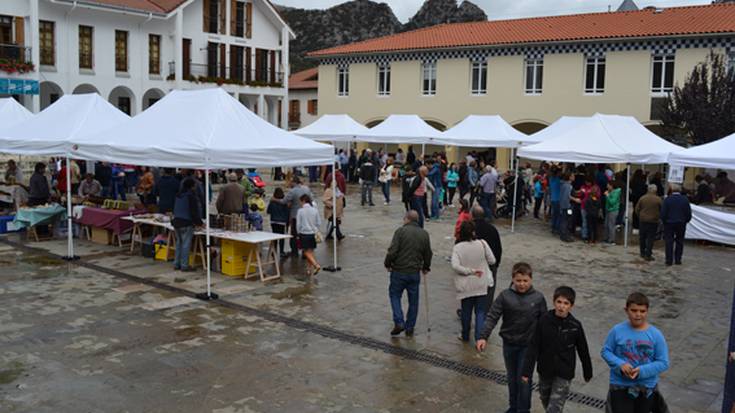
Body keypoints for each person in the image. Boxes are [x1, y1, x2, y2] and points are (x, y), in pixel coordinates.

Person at [476, 262, 547, 413]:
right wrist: (483, 336)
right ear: (513, 279)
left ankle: (523, 409)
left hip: (528, 347)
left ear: (531, 279)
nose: (522, 284)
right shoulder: (505, 296)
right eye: (519, 280)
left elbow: (544, 324)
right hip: (509, 344)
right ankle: (513, 406)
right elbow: (492, 316)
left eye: (525, 281)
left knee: (524, 379)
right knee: (512, 378)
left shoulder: (538, 298)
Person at [521, 286, 593, 413]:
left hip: (564, 372)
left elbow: (583, 350)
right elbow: (533, 346)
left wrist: (587, 372)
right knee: (545, 399)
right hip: (545, 370)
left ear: (571, 306)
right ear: (554, 302)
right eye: (559, 302)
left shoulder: (575, 326)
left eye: (566, 303)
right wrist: (526, 371)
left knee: (554, 408)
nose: (562, 306)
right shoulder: (543, 321)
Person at [601, 292, 669, 413]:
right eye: (634, 310)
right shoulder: (617, 331)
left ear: (647, 311)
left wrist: (642, 371)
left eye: (642, 311)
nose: (638, 315)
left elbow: (663, 362)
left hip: (646, 387)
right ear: (626, 310)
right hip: (620, 385)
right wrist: (620, 364)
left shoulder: (656, 335)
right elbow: (606, 351)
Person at [384, 210, 432, 337]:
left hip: (399, 271)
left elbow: (392, 251)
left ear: (407, 219)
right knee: (413, 300)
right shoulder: (424, 234)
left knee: (394, 295)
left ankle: (399, 321)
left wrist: (387, 264)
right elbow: (428, 253)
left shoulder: (400, 232)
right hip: (414, 272)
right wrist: (426, 267)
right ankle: (410, 327)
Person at [451, 221, 496, 342]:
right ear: (473, 232)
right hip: (480, 282)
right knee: (480, 312)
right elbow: (492, 260)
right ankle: (479, 338)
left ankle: (465, 335)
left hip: (466, 285)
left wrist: (469, 271)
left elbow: (455, 266)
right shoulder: (482, 243)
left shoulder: (457, 248)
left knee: (466, 312)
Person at [471, 205, 502, 305]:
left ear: (472, 215)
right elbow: (498, 248)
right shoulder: (492, 229)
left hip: (473, 264)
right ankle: (486, 310)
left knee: (471, 291)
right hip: (490, 263)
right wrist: (496, 264)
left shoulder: (470, 229)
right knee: (489, 289)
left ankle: (469, 309)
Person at [172, 178, 203, 272]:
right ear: (192, 186)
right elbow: (194, 212)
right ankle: (184, 265)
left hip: (176, 221)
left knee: (179, 243)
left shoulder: (178, 195)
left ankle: (176, 263)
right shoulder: (191, 196)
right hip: (186, 222)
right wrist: (200, 223)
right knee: (185, 244)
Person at [661, 183, 692, 266]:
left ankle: (669, 260)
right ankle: (678, 259)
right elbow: (688, 213)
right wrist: (686, 220)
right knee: (680, 241)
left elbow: (663, 213)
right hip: (681, 222)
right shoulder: (685, 199)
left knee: (669, 241)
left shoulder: (667, 199)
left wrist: (664, 221)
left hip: (669, 223)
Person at [283, 176, 313, 256]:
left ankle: (294, 251)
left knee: (294, 234)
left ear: (293, 182)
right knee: (304, 233)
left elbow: (284, 201)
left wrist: (274, 199)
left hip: (295, 216)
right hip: (307, 214)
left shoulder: (292, 191)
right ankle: (304, 251)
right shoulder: (306, 189)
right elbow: (311, 199)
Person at [635, 184, 663, 261]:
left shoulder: (642, 198)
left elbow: (637, 209)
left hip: (643, 220)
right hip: (653, 221)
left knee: (642, 237)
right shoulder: (658, 199)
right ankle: (648, 254)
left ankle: (642, 252)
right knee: (650, 238)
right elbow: (662, 210)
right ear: (655, 190)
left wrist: (640, 216)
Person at [296, 194, 321, 276]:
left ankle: (316, 265)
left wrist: (298, 233)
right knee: (310, 252)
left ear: (303, 201)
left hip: (304, 233)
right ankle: (309, 269)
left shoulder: (300, 211)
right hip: (313, 234)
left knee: (306, 252)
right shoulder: (315, 210)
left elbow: (298, 224)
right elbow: (318, 223)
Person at [267, 187, 289, 257]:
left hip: (273, 221)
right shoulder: (284, 202)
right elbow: (287, 212)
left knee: (274, 237)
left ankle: (274, 251)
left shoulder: (272, 202)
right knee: (281, 237)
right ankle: (281, 252)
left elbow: (268, 211)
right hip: (282, 222)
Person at [559, 172, 578, 243]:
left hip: (564, 205)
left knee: (565, 219)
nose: (574, 177)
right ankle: (565, 235)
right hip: (568, 206)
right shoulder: (568, 186)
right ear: (569, 177)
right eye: (573, 175)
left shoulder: (564, 184)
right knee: (566, 220)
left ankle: (563, 234)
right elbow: (568, 196)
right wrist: (575, 199)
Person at [549, 166, 562, 234]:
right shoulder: (559, 181)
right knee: (559, 215)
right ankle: (557, 228)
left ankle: (553, 227)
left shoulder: (551, 179)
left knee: (554, 214)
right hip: (558, 199)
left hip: (553, 199)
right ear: (558, 173)